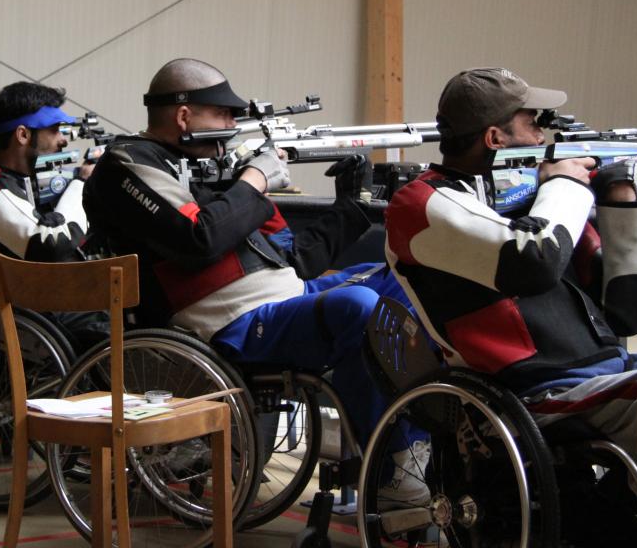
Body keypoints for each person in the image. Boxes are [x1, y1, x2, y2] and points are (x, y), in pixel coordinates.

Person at [383, 66, 637, 547]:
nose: (545, 133)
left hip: (597, 375)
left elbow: (630, 312)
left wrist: (622, 201)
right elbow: (532, 262)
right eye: (534, 122)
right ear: (496, 137)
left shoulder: (535, 203)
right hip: (526, 392)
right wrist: (567, 186)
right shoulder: (422, 203)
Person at [82, 58, 423, 502]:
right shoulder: (128, 164)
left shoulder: (220, 171)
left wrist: (351, 208)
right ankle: (392, 467)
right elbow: (198, 239)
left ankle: (409, 448)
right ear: (185, 116)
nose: (232, 125)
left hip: (285, 299)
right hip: (225, 325)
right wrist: (256, 178)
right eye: (223, 114)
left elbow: (294, 259)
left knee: (409, 280)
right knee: (358, 308)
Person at [0, 80, 106, 352]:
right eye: (54, 129)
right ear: (22, 135)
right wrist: (81, 182)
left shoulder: (27, 183)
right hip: (37, 315)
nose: (62, 139)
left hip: (59, 304)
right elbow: (52, 243)